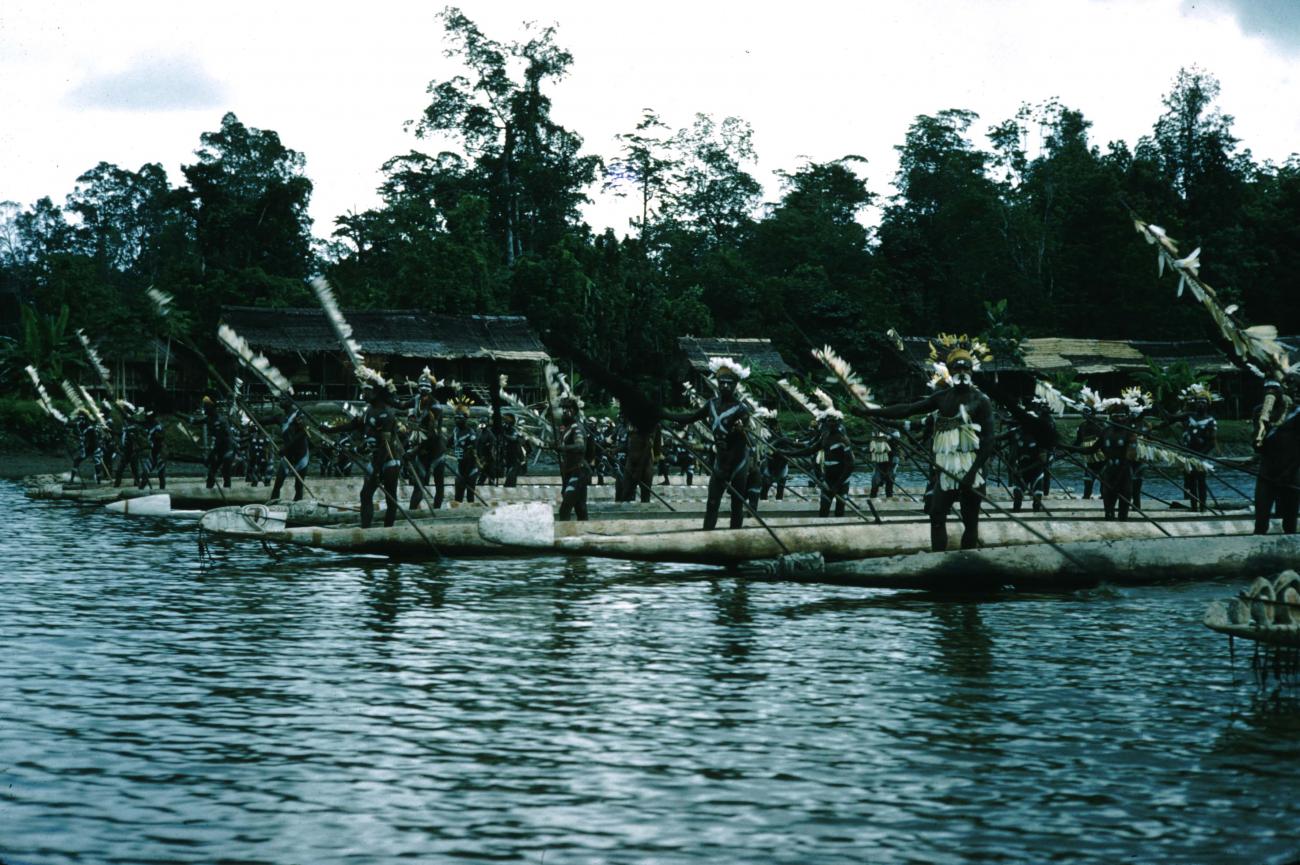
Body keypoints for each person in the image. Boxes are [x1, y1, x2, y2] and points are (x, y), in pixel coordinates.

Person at [858, 336, 996, 551]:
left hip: (971, 465)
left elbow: (988, 441)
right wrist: (869, 412)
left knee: (970, 520)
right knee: (937, 514)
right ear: (949, 371)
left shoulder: (981, 400)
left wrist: (972, 473)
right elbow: (907, 409)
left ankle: (968, 558)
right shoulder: (942, 398)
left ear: (972, 371)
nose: (962, 372)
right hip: (946, 466)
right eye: (957, 368)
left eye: (966, 369)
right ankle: (938, 557)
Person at [663, 358, 754, 530]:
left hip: (738, 461)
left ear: (735, 385)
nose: (725, 386)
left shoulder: (741, 409)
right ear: (717, 383)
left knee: (737, 503)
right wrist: (664, 415)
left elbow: (746, 435)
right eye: (722, 383)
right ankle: (708, 533)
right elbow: (690, 417)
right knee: (712, 502)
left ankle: (736, 536)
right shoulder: (711, 404)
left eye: (729, 383)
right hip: (721, 460)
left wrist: (741, 430)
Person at [330, 381, 403, 529]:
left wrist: (376, 470)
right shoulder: (367, 410)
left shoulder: (387, 414)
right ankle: (365, 529)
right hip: (375, 459)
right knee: (365, 495)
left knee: (390, 497)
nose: (363, 394)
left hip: (389, 460)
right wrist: (330, 430)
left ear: (376, 393)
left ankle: (388, 530)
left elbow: (385, 445)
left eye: (366, 391)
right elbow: (353, 425)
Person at [784, 408, 855, 517]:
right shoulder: (825, 436)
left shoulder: (843, 440)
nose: (831, 424)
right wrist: (788, 453)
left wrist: (837, 485)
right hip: (828, 478)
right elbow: (810, 450)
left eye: (833, 421)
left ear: (838, 423)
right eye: (829, 421)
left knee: (839, 510)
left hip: (842, 480)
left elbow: (850, 465)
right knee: (824, 509)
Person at [1251, 377, 1300, 534]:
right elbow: (1257, 446)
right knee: (1261, 518)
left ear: (1281, 391)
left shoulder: (1296, 412)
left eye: (1274, 389)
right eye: (1267, 389)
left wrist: (1289, 472)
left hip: (1290, 471)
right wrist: (1259, 435)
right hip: (1267, 472)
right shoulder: (1259, 412)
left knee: (1289, 520)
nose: (1270, 393)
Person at [1000, 395, 1057, 512]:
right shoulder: (1016, 432)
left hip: (1036, 470)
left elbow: (1042, 461)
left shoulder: (1041, 436)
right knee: (1017, 499)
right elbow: (997, 438)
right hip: (1021, 470)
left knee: (1037, 501)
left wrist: (1021, 471)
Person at [407, 372, 447, 509]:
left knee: (438, 483)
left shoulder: (435, 407)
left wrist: (414, 450)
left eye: (427, 387)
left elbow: (433, 435)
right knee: (419, 484)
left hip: (435, 450)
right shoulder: (416, 402)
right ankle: (412, 510)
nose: (423, 390)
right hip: (422, 450)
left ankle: (437, 509)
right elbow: (401, 405)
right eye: (421, 386)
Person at [1178, 384, 1218, 512]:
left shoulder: (1210, 420)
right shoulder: (1189, 416)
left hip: (1202, 455)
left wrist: (1201, 455)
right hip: (1189, 454)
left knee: (1201, 481)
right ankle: (1194, 507)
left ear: (1207, 405)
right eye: (1198, 402)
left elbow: (1211, 443)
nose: (1200, 405)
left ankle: (1203, 507)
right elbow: (1171, 418)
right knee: (1190, 482)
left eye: (1203, 402)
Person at [556, 396, 591, 520]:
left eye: (567, 409)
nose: (564, 412)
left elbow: (580, 446)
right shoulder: (567, 429)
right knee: (580, 508)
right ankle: (585, 529)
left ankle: (564, 530)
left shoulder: (577, 427)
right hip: (569, 472)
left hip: (579, 471)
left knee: (565, 506)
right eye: (563, 409)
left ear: (574, 411)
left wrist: (563, 448)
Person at [270, 394, 310, 502]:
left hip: (301, 455)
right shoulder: (279, 417)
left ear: (290, 401)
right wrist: (243, 407)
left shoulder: (298, 415)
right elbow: (260, 420)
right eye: (280, 399)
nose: (280, 401)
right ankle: (273, 503)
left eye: (283, 399)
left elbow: (303, 433)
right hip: (287, 455)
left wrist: (285, 447)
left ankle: (298, 505)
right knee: (278, 483)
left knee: (298, 486)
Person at [448, 396, 479, 504]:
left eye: (459, 418)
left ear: (465, 419)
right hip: (460, 467)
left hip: (470, 468)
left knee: (470, 497)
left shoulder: (471, 433)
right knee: (458, 497)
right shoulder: (455, 431)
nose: (457, 420)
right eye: (455, 418)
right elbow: (449, 443)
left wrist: (464, 474)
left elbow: (472, 453)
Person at [201, 396, 235, 489]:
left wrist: (210, 457)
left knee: (225, 472)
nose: (204, 409)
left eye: (206, 407)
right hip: (218, 448)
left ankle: (227, 490)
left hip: (227, 449)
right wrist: (178, 414)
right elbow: (194, 421)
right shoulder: (208, 419)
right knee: (211, 472)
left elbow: (222, 440)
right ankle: (209, 489)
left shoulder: (221, 420)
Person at [868, 429, 901, 499]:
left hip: (892, 458)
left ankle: (889, 497)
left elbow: (896, 438)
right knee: (876, 479)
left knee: (890, 478)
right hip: (880, 458)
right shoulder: (876, 431)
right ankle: (873, 496)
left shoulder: (895, 432)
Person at [142, 409, 167, 490]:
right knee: (145, 471)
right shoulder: (149, 425)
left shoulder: (158, 426)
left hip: (160, 452)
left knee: (161, 473)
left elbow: (161, 437)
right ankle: (141, 488)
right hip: (153, 452)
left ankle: (162, 490)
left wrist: (155, 438)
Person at [499, 413, 525, 488]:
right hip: (507, 453)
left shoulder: (514, 430)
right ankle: (509, 485)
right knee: (508, 469)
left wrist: (504, 435)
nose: (505, 421)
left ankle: (510, 486)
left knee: (512, 470)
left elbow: (514, 438)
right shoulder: (505, 429)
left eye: (507, 419)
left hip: (515, 453)